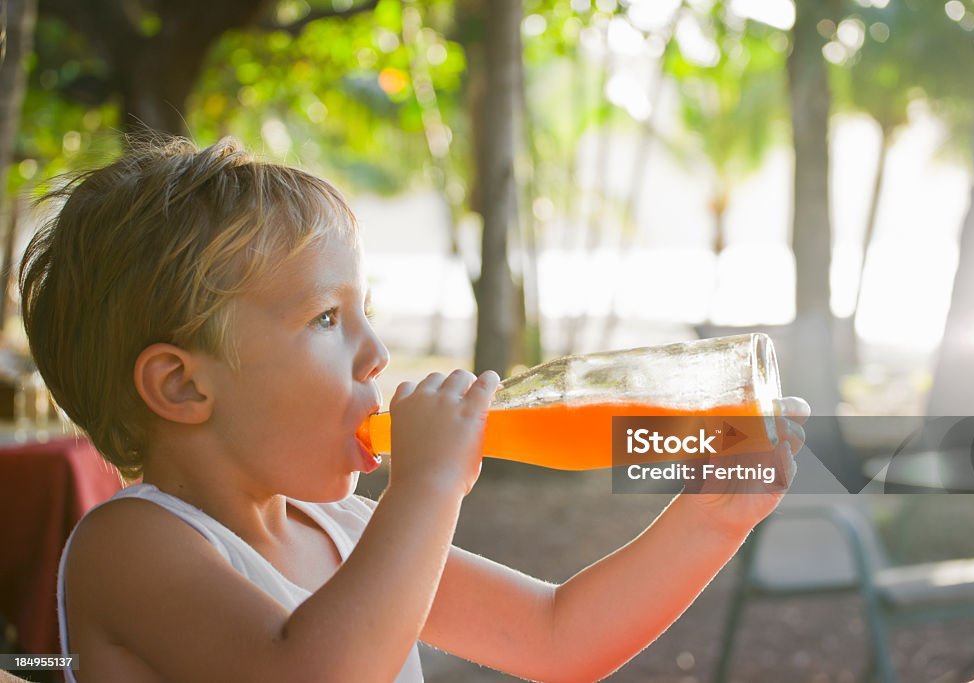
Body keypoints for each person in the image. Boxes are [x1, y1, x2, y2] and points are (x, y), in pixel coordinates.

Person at [19, 137, 809, 683]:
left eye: (364, 313)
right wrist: (425, 489)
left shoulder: (347, 530)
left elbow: (559, 635)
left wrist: (711, 518)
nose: (375, 354)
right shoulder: (131, 544)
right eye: (326, 320)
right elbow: (310, 673)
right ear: (184, 387)